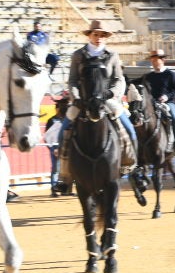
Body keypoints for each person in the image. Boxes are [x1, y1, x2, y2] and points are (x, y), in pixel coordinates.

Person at [54, 19, 139, 193]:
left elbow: (118, 79)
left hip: (107, 100)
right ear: (89, 35)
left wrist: (111, 94)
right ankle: (64, 176)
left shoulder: (112, 55)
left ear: (105, 37)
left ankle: (132, 169)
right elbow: (72, 80)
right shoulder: (78, 55)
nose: (98, 37)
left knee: (129, 129)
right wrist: (76, 97)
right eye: (95, 34)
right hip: (83, 100)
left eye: (102, 35)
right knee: (63, 133)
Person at [140, 47, 175, 143]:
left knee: (174, 118)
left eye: (156, 59)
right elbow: (135, 82)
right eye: (153, 60)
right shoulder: (148, 76)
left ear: (163, 60)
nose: (154, 62)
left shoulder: (170, 75)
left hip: (168, 104)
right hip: (152, 104)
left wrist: (167, 96)